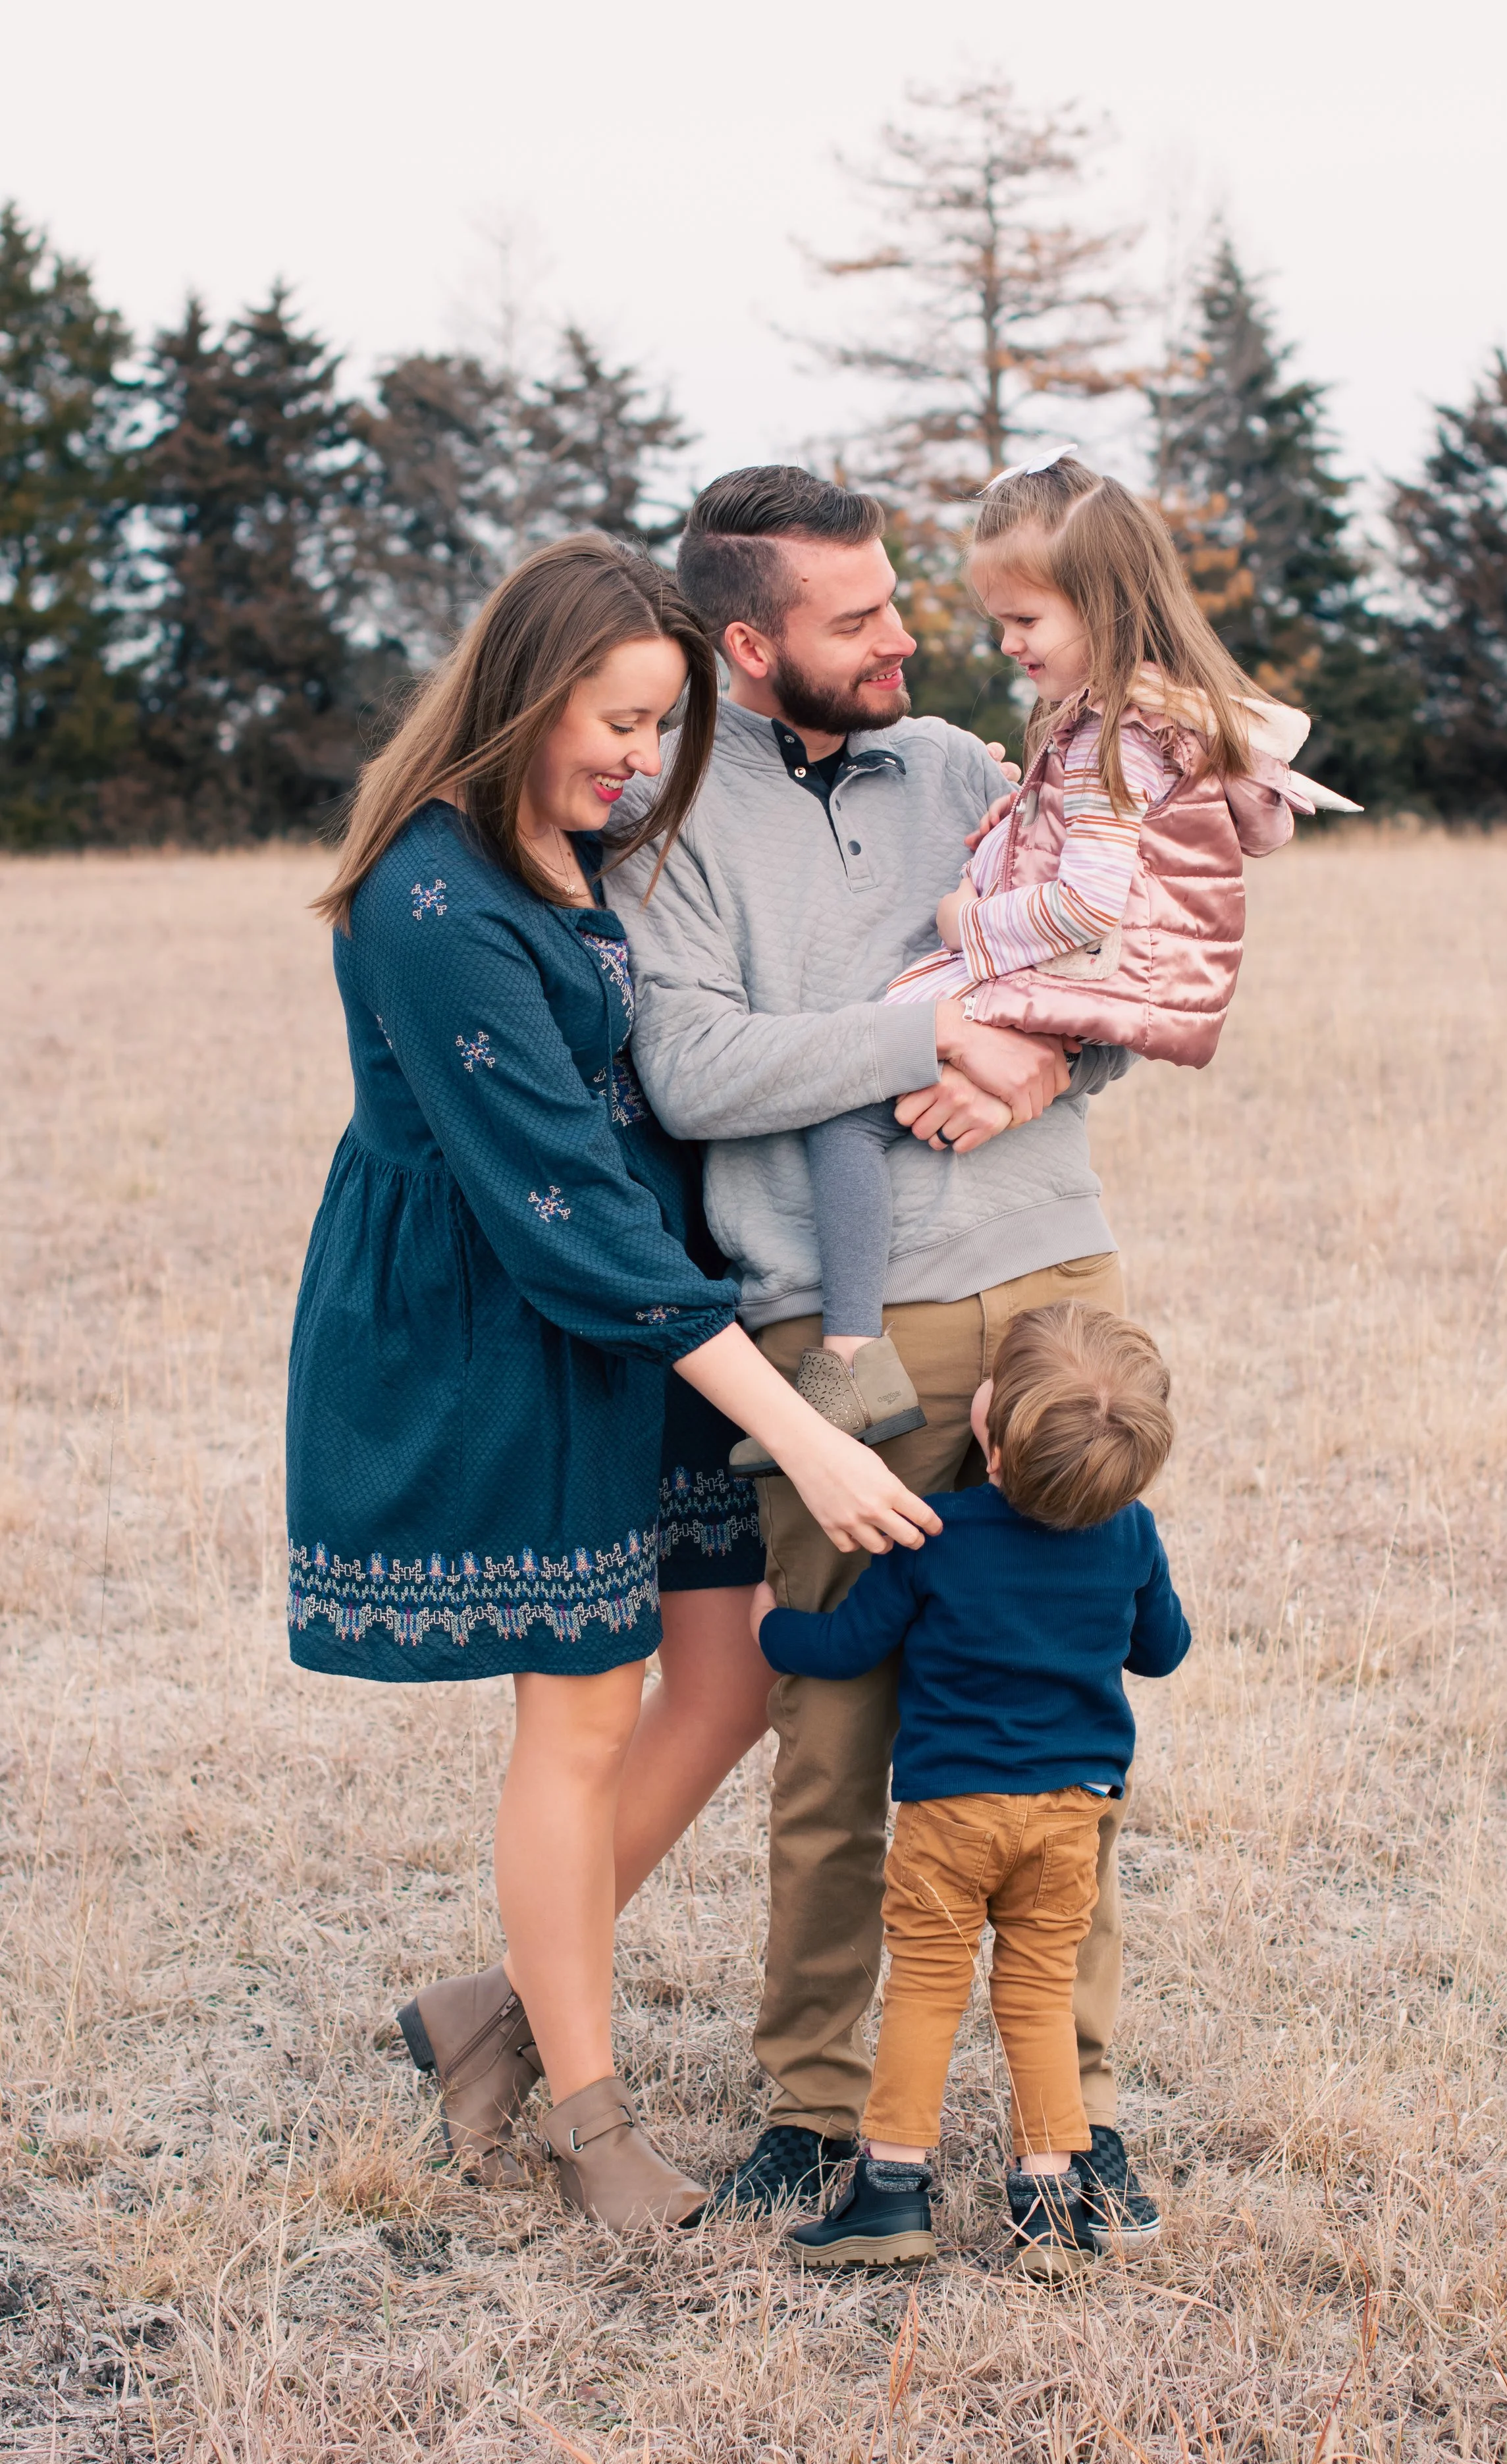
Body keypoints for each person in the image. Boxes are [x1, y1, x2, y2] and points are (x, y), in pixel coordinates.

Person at [285, 535, 939, 2231]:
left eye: (664, 731)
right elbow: (562, 1211)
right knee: (578, 1713)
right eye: (622, 722)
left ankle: (486, 2015)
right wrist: (795, 1428)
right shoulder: (431, 901)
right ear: (525, 692)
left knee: (722, 1687)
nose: (642, 763)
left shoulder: (584, 851)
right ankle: (581, 2123)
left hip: (644, 1314)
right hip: (508, 1323)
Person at [596, 461, 1159, 2235]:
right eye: (857, 618)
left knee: (1055, 1718)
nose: (906, 635)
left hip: (1053, 1279)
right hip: (830, 1332)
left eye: (902, 597)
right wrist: (927, 1017)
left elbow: (1121, 972)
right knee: (838, 1728)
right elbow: (693, 1070)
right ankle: (817, 2107)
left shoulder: (971, 773)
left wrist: (1043, 1054)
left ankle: (1076, 2108)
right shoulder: (668, 829)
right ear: (746, 643)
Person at [784, 452, 1352, 1423]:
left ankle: (849, 1355)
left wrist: (969, 920)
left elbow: (1088, 903)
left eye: (1024, 620)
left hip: (1064, 970)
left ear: (1107, 608)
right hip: (1111, 986)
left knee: (848, 1103)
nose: (1006, 643)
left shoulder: (1105, 739)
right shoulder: (1159, 718)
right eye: (999, 620)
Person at [756, 1303, 1190, 2276]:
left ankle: (893, 2189)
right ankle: (1048, 2202)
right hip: (1071, 1813)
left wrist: (770, 1623)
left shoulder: (936, 1534)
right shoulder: (1130, 1537)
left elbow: (847, 1645)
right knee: (1037, 1998)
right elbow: (1164, 1650)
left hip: (953, 1815)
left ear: (990, 1436)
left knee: (927, 1990)